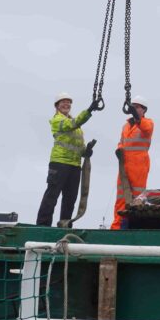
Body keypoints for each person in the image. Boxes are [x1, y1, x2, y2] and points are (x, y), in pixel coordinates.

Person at [36, 92, 100, 227]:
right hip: (59, 163)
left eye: (68, 102)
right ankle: (42, 225)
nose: (66, 104)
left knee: (70, 199)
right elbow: (73, 123)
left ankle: (64, 225)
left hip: (74, 165)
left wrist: (86, 151)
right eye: (63, 102)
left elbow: (78, 146)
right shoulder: (57, 120)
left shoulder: (76, 128)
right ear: (57, 106)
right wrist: (89, 110)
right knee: (52, 196)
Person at [111, 95, 153, 230]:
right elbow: (122, 141)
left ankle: (133, 227)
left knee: (137, 198)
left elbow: (146, 129)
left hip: (139, 165)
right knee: (121, 198)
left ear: (143, 110)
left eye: (137, 107)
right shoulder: (126, 126)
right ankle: (117, 227)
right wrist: (119, 149)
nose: (134, 108)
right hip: (124, 166)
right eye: (133, 106)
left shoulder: (148, 123)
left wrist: (137, 117)